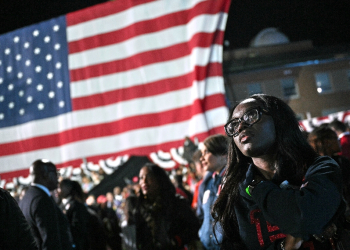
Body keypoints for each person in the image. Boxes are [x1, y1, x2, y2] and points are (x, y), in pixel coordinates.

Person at [212, 94, 346, 250]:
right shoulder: (235, 191)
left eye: (251, 115)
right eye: (234, 125)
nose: (241, 127)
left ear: (279, 119)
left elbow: (302, 219)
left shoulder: (320, 168)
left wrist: (258, 187)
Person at [129, 163, 201, 249]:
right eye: (141, 178)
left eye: (148, 176)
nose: (144, 181)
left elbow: (194, 228)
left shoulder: (176, 203)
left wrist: (178, 240)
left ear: (159, 179)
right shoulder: (138, 209)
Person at [19, 159, 74, 250]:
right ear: (45, 175)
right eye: (56, 173)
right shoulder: (41, 200)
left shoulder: (28, 197)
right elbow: (50, 241)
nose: (58, 178)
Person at [197, 134, 227, 250]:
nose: (201, 158)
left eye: (206, 152)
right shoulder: (209, 184)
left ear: (223, 154)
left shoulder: (233, 181)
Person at [308, 126, 350, 204]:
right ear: (327, 142)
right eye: (335, 138)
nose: (339, 141)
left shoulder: (311, 165)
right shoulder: (340, 162)